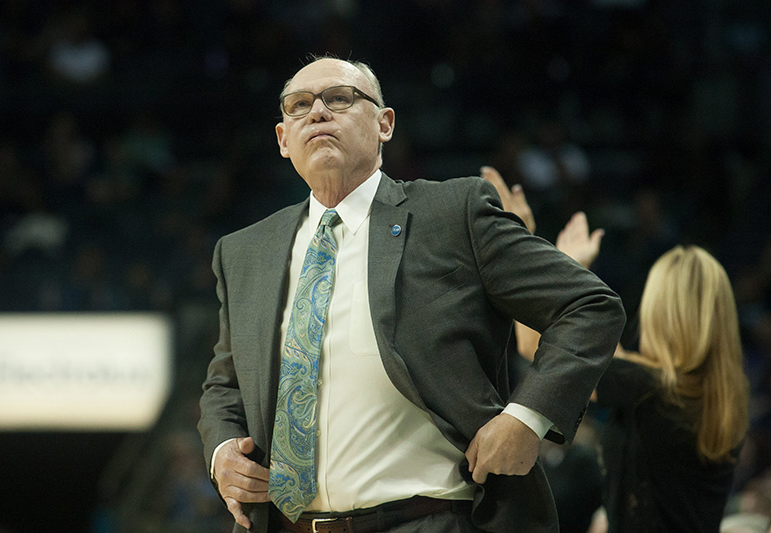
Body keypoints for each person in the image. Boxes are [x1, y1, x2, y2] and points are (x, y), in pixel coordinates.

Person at [197, 56, 625, 533]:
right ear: (282, 139)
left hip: (427, 520)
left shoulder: (451, 213)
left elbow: (589, 306)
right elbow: (225, 385)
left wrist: (527, 417)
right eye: (299, 105)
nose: (317, 112)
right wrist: (223, 453)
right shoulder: (243, 252)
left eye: (338, 98)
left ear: (385, 124)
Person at [483, 167, 750, 532]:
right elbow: (598, 347)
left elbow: (539, 348)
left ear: (660, 313)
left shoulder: (649, 388)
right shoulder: (716, 395)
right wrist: (573, 271)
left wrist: (518, 241)